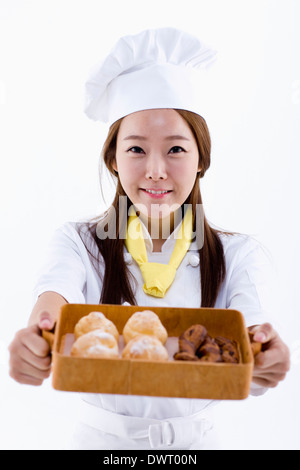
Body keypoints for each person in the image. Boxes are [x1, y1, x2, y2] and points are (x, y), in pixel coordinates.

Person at [8, 28, 290, 450]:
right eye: (136, 150)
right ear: (113, 161)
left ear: (201, 161)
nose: (156, 170)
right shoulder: (79, 243)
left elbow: (249, 327)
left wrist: (265, 352)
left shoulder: (237, 254)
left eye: (176, 149)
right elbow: (54, 300)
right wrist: (37, 337)